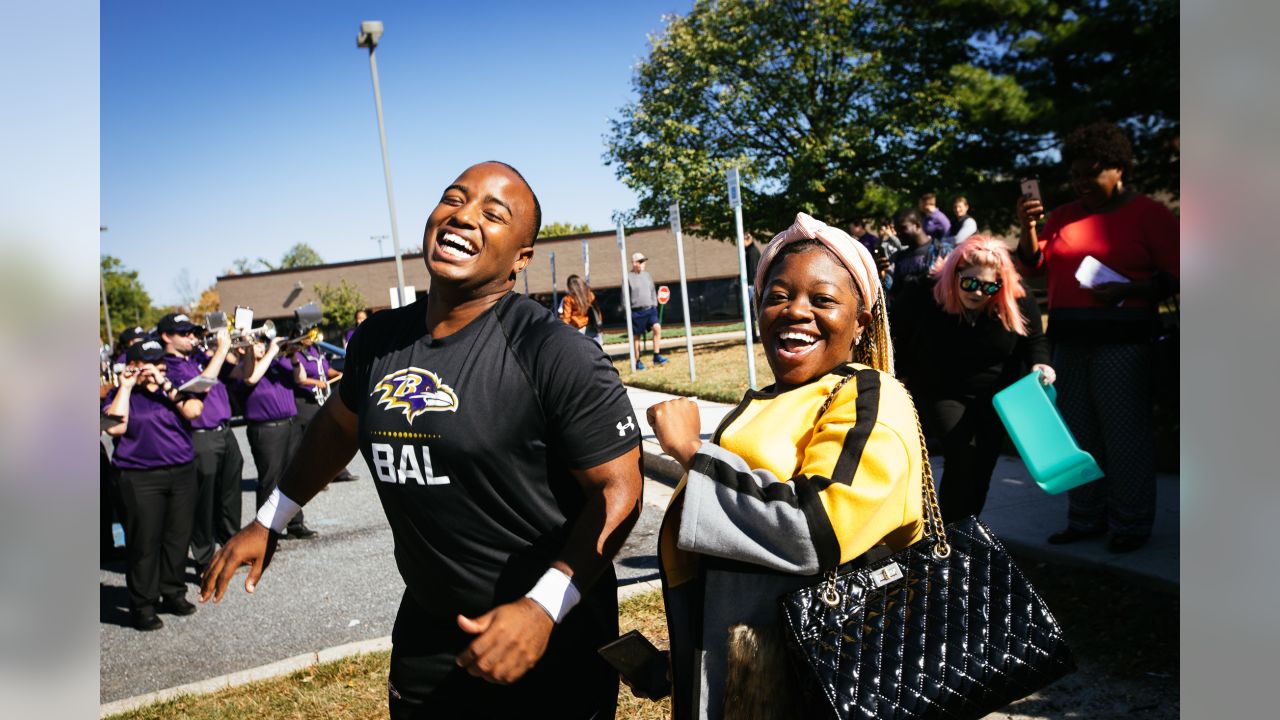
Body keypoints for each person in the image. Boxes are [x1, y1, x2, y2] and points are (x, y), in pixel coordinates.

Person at [201, 161, 643, 718]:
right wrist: (269, 519)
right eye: (453, 198)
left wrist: (544, 605)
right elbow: (339, 426)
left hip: (545, 639)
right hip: (430, 640)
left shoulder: (555, 352)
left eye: (493, 213)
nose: (463, 215)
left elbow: (620, 493)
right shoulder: (381, 339)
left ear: (521, 258)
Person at [646, 212, 925, 720]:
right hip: (748, 664)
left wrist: (690, 450)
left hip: (823, 673)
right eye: (778, 296)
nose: (796, 311)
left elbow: (812, 529)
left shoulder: (868, 395)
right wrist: (688, 657)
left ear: (862, 321)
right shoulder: (778, 398)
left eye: (823, 299)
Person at [1016, 121, 1179, 554]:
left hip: (1122, 342)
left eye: (1091, 172)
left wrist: (1131, 289)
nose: (1081, 182)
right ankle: (1085, 518)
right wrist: (1029, 226)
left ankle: (1130, 523)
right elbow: (1034, 266)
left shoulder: (1149, 213)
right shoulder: (1066, 214)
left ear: (1118, 168)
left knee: (1124, 434)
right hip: (1069, 339)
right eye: (1075, 175)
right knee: (1080, 435)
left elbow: (1177, 275)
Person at [906, 235, 1054, 523]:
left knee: (983, 464)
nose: (978, 292)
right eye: (970, 282)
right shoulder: (927, 293)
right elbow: (896, 328)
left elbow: (1035, 339)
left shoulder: (1016, 296)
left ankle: (967, 531)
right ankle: (949, 532)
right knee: (961, 455)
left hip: (998, 395)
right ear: (955, 273)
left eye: (989, 286)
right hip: (943, 389)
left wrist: (1041, 364)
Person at [103, 338, 205, 631]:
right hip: (138, 476)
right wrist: (124, 386)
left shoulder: (174, 387)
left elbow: (193, 411)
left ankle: (173, 593)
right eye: (148, 363)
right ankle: (142, 604)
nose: (156, 367)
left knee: (177, 536)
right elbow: (116, 426)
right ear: (133, 365)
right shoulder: (121, 394)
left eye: (159, 362)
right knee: (144, 542)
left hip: (181, 471)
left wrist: (164, 383)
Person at [158, 312, 243, 576]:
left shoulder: (199, 357)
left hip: (225, 431)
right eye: (185, 334)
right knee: (203, 502)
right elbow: (202, 387)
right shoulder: (166, 367)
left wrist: (244, 351)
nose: (193, 337)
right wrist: (222, 350)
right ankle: (205, 559)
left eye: (194, 332)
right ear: (166, 337)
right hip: (200, 436)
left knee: (230, 497)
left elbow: (241, 373)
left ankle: (233, 548)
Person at [229, 336, 316, 539]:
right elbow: (251, 379)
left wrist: (294, 357)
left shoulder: (278, 363)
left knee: (293, 477)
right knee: (270, 480)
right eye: (258, 344)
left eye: (263, 343)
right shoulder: (245, 368)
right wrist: (271, 351)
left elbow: (300, 378)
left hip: (290, 424)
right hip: (266, 429)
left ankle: (295, 524)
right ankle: (266, 531)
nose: (263, 346)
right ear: (243, 350)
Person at [885, 207, 949, 372]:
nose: (898, 234)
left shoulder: (943, 251)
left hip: (934, 332)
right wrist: (880, 274)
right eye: (896, 230)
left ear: (918, 225)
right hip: (904, 334)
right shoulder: (898, 257)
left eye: (903, 228)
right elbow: (890, 293)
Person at [289, 329, 357, 482]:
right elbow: (299, 378)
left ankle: (339, 471)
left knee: (332, 433)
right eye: (306, 336)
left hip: (321, 399)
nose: (310, 338)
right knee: (315, 438)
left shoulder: (315, 350)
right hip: (305, 401)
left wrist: (339, 373)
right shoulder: (295, 355)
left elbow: (326, 369)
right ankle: (313, 476)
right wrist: (316, 382)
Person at [627, 252, 669, 369]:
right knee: (637, 337)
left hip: (650, 309)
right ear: (634, 263)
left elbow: (652, 291)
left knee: (657, 327)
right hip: (636, 311)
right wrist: (628, 312)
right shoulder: (628, 277)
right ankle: (637, 361)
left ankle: (656, 356)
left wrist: (654, 305)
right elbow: (624, 296)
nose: (643, 264)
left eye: (644, 261)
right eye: (640, 261)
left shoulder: (647, 275)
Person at [559, 274, 603, 345]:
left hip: (577, 329)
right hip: (591, 327)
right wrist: (599, 325)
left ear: (570, 287)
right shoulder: (590, 295)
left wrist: (562, 330)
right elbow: (597, 312)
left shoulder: (569, 299)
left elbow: (566, 318)